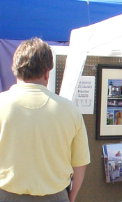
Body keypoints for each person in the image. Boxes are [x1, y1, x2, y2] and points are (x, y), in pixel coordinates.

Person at [0, 38, 90, 202]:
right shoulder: (70, 110)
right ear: (47, 72)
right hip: (55, 196)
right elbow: (80, 163)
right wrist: (71, 196)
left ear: (15, 69)